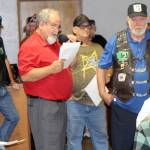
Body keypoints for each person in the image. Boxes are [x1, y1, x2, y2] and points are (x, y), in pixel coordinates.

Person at [97, 2, 150, 150]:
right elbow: (101, 67)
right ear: (128, 20)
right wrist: (103, 93)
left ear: (147, 19)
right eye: (134, 19)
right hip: (123, 108)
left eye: (141, 18)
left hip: (148, 111)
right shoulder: (117, 40)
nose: (138, 23)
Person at [18, 9, 72, 150]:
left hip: (59, 104)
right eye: (53, 26)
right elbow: (25, 75)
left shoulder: (54, 44)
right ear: (41, 24)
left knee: (58, 146)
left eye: (58, 26)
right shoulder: (30, 45)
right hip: (44, 107)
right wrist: (50, 69)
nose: (57, 30)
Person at [67, 14, 108, 150]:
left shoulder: (98, 48)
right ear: (75, 29)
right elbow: (65, 68)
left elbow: (108, 67)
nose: (86, 29)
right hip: (75, 101)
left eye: (89, 26)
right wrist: (72, 46)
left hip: (97, 102)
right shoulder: (69, 47)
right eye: (83, 26)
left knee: (101, 138)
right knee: (74, 139)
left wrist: (107, 76)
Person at [0, 16, 19, 144]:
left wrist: (12, 81)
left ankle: (1, 141)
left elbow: (5, 59)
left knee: (13, 117)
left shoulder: (0, 40)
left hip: (2, 88)